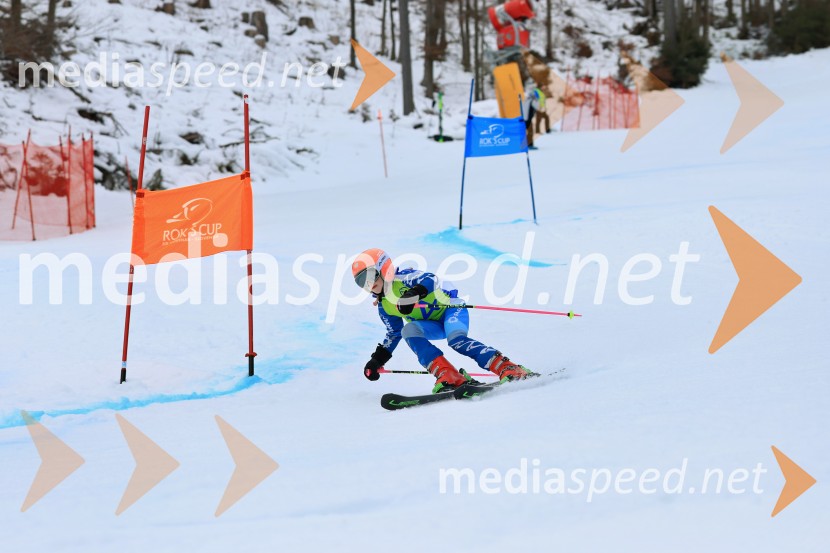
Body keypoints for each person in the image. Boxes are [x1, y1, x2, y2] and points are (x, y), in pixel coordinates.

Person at [352, 248, 532, 393]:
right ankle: (450, 375)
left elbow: (431, 279)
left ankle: (507, 367)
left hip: (450, 310)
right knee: (408, 331)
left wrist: (412, 295)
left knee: (456, 341)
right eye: (361, 281)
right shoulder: (384, 307)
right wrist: (377, 361)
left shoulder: (405, 278)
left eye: (370, 276)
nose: (368, 284)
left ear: (384, 268)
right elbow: (393, 334)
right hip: (431, 325)